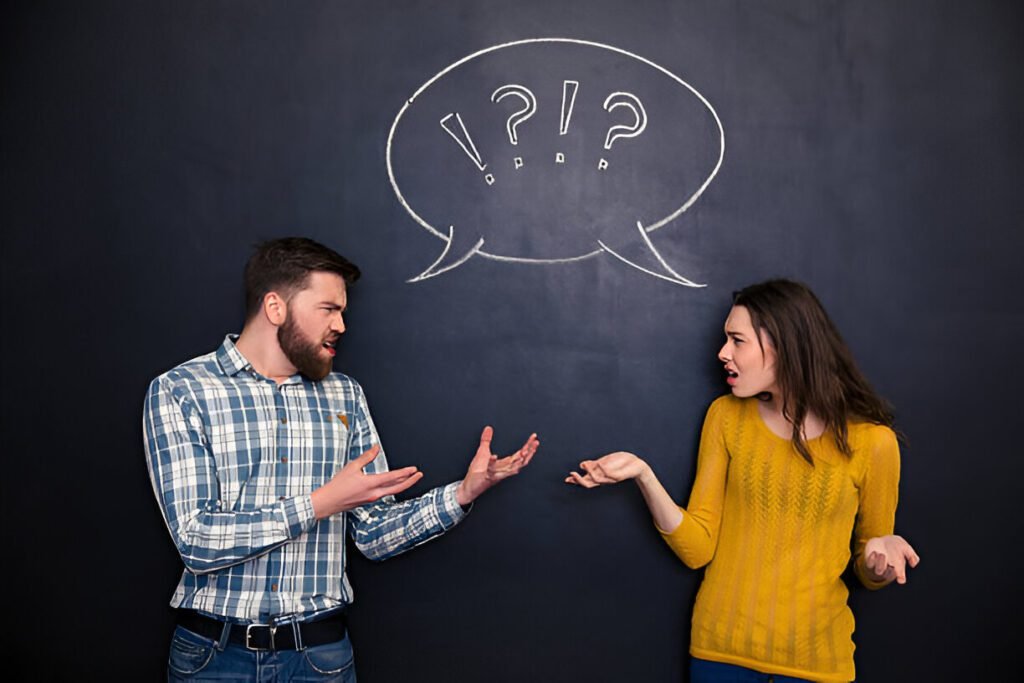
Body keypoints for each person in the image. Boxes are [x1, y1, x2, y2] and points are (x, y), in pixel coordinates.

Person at [144, 237, 539, 682]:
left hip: (318, 660)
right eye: (329, 309)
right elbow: (196, 540)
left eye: (343, 312)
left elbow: (374, 534)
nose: (342, 326)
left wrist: (464, 494)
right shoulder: (181, 391)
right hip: (214, 659)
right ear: (276, 307)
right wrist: (319, 504)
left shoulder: (345, 396)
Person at [566, 279, 919, 683]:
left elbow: (871, 569)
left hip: (817, 665)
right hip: (720, 654)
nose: (723, 353)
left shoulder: (873, 442)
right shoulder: (726, 418)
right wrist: (643, 474)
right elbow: (698, 548)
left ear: (785, 345)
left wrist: (879, 561)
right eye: (725, 339)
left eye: (737, 340)